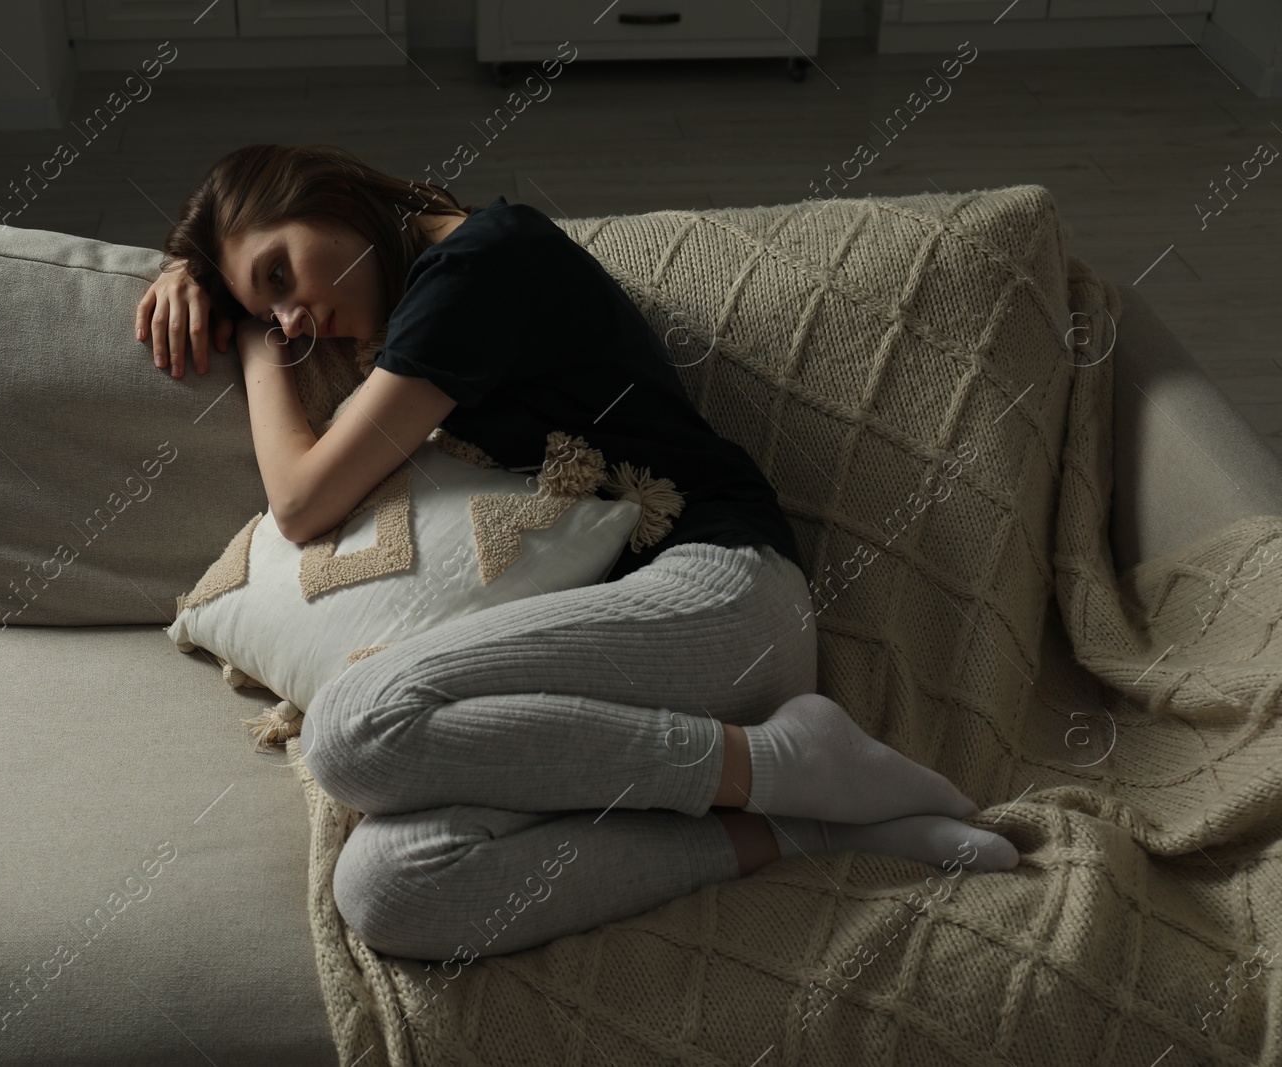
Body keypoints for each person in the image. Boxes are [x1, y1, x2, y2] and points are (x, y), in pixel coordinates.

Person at [135, 143, 1018, 962]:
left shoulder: (476, 269)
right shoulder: (418, 300)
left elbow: (300, 502)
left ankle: (788, 764)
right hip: (618, 656)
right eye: (270, 313)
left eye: (281, 275)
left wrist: (251, 342)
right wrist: (206, 275)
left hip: (720, 593)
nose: (296, 320)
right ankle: (807, 827)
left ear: (325, 195)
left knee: (354, 726)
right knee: (391, 888)